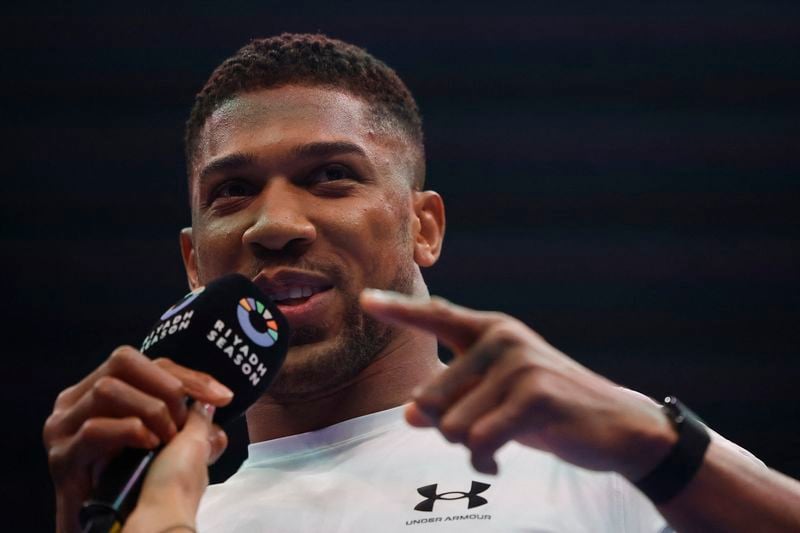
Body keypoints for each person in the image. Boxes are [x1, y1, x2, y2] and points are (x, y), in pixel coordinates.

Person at [44, 33, 800, 533]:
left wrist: (654, 444)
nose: (273, 224)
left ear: (424, 227)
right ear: (192, 263)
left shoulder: (598, 456)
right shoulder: (164, 515)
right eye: (232, 191)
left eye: (330, 176)